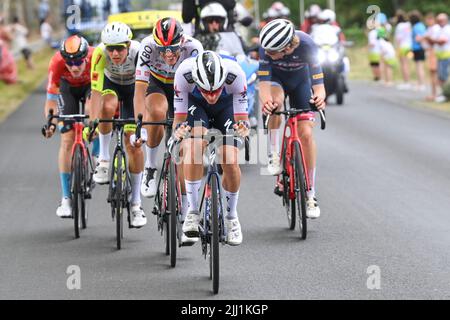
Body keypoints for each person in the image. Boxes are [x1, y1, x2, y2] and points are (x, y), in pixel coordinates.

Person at [172, 50, 250, 246]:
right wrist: (178, 133)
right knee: (194, 147)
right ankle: (192, 212)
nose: (212, 95)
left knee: (230, 159)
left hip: (227, 107)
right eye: (206, 90)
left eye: (216, 90)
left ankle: (232, 217)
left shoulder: (236, 75)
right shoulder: (183, 74)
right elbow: (179, 120)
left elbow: (243, 120)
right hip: (196, 106)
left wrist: (243, 129)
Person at [258, 19, 326, 219]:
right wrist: (267, 103)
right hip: (276, 81)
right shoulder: (266, 47)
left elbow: (319, 84)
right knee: (276, 103)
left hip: (301, 82)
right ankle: (273, 154)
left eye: (272, 51)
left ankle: (311, 193)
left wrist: (320, 98)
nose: (267, 53)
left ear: (288, 47)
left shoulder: (308, 45)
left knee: (306, 134)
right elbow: (263, 85)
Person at [134, 18, 202, 209]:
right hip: (158, 84)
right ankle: (151, 166)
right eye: (163, 50)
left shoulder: (194, 47)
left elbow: (201, 87)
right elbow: (139, 89)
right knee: (156, 112)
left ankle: (187, 204)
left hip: (185, 88)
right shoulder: (147, 46)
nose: (169, 54)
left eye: (172, 48)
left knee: (185, 142)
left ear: (181, 41)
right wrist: (139, 123)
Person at [90, 22, 147, 228]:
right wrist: (92, 122)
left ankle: (136, 204)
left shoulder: (140, 52)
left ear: (128, 45)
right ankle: (104, 159)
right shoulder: (99, 53)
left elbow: (143, 93)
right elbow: (95, 92)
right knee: (107, 106)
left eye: (119, 48)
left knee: (133, 145)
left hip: (134, 88)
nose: (114, 53)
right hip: (110, 85)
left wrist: (142, 124)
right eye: (110, 48)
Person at [42, 35, 94, 217]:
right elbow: (51, 99)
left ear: (86, 57)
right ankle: (66, 198)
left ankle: (95, 157)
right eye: (69, 63)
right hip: (67, 90)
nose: (74, 67)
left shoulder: (95, 56)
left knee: (90, 113)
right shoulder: (56, 62)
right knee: (66, 140)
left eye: (79, 61)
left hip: (90, 86)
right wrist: (51, 124)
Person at [432, 13, 450, 102]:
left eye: (441, 20)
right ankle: (443, 93)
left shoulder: (447, 29)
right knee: (440, 76)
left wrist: (431, 39)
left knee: (444, 76)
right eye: (438, 20)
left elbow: (442, 41)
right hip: (440, 55)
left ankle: (445, 95)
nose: (439, 22)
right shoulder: (439, 29)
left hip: (446, 55)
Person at [394, 10, 412, 90]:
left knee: (403, 65)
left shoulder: (399, 26)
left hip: (402, 47)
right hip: (409, 46)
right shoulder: (408, 24)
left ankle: (406, 82)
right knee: (407, 64)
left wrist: (396, 48)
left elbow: (398, 38)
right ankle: (408, 81)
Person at [409, 10, 427, 91]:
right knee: (420, 66)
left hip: (417, 48)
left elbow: (419, 38)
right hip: (421, 49)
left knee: (419, 67)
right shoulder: (422, 25)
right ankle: (420, 83)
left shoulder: (416, 27)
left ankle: (421, 84)